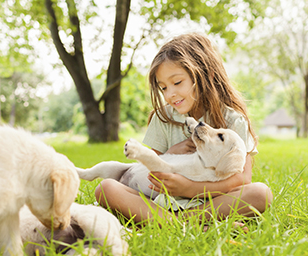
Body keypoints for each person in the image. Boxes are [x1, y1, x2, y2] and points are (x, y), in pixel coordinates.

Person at [95, 32, 273, 228]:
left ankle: (178, 223)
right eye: (163, 88)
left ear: (206, 75)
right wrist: (170, 153)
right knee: (106, 188)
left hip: (209, 202)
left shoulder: (232, 119)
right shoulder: (163, 117)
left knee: (260, 193)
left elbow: (242, 178)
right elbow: (147, 172)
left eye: (177, 83)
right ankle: (195, 226)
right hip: (161, 203)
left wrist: (191, 188)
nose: (170, 94)